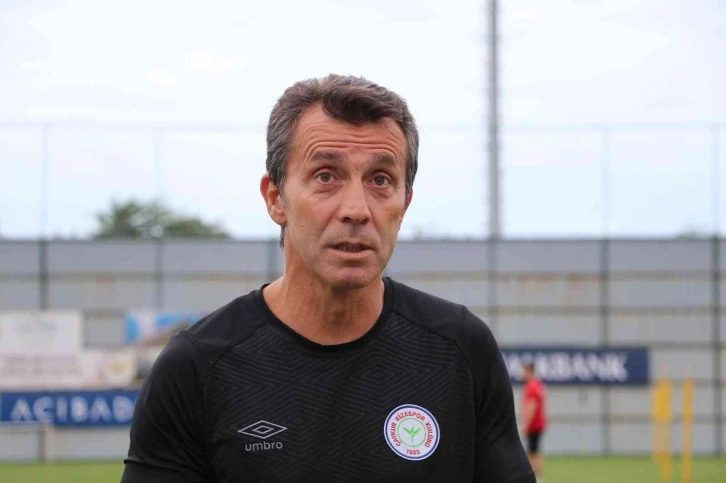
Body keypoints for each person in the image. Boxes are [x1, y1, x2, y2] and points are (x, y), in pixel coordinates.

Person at [121, 74, 535, 483]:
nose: (357, 209)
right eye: (325, 176)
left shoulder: (461, 350)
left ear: (404, 204)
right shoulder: (196, 369)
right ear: (276, 198)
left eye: (380, 180)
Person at [519, 362, 548, 483]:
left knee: (532, 454)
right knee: (535, 452)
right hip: (538, 424)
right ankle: (537, 477)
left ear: (529, 371)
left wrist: (525, 425)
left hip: (534, 425)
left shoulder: (532, 386)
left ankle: (536, 478)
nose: (522, 374)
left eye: (524, 371)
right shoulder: (538, 384)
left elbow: (532, 407)